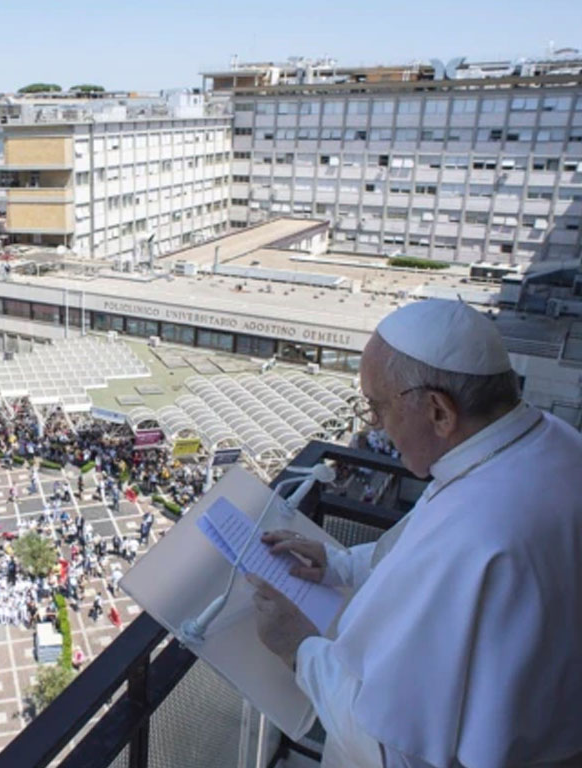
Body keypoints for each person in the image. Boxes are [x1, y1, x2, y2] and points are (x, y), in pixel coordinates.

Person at [249, 300, 582, 768]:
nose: (374, 425)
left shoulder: (476, 529)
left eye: (377, 407)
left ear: (439, 412)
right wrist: (338, 564)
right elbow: (418, 549)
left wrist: (298, 647)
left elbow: (391, 750)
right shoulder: (553, 441)